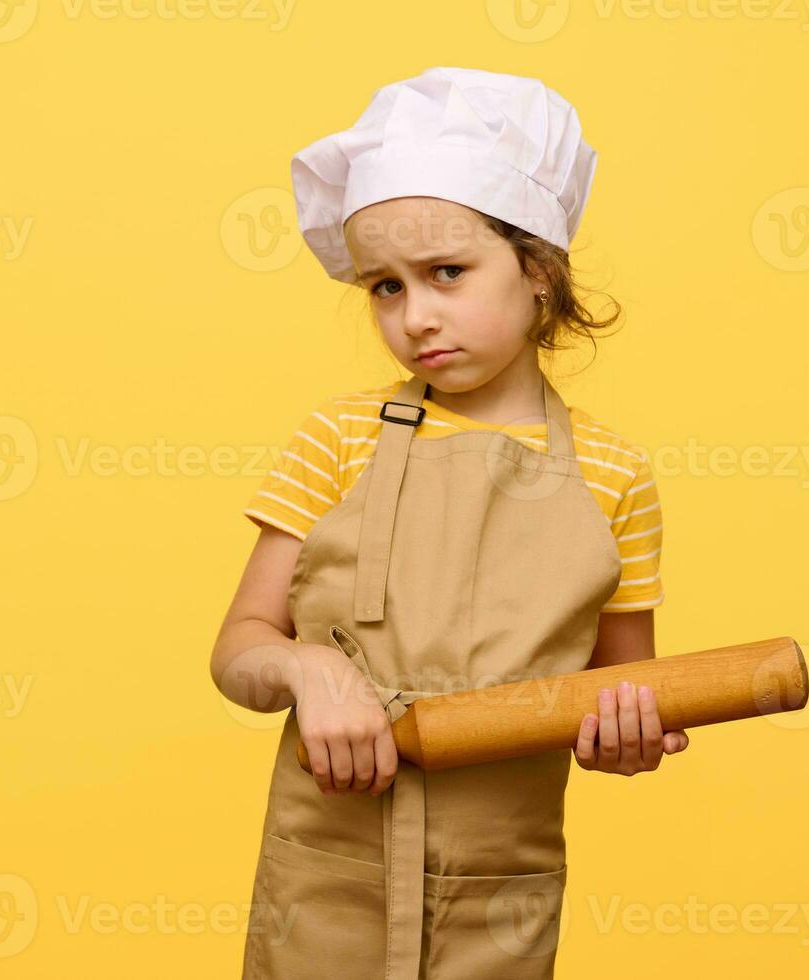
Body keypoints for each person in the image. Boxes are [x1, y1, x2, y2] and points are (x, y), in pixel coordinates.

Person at [210, 66, 690, 980]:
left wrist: (628, 740)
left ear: (539, 273)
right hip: (324, 881)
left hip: (498, 897)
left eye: (446, 273)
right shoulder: (337, 438)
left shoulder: (614, 476)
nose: (415, 316)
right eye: (384, 288)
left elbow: (628, 691)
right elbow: (237, 650)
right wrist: (307, 666)